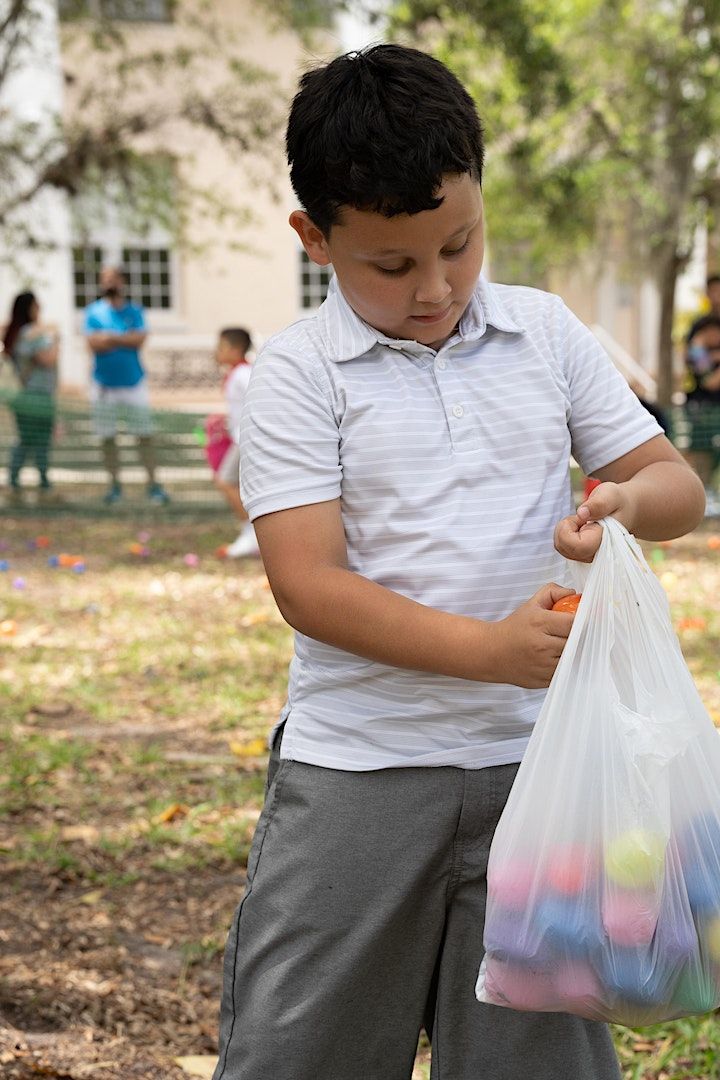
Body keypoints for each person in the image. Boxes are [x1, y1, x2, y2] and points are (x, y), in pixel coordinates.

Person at [212, 45, 705, 1080]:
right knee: (305, 1052)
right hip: (360, 773)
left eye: (459, 245)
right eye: (391, 266)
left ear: (480, 197)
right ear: (315, 238)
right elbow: (308, 583)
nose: (434, 287)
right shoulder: (297, 375)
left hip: (546, 772)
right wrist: (489, 651)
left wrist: (619, 499)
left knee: (535, 1058)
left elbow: (677, 487)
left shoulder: (545, 333)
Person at [84, 266, 169, 505]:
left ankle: (154, 485)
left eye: (112, 278)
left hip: (134, 383)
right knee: (107, 438)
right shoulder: (93, 312)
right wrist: (123, 338)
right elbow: (93, 343)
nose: (108, 283)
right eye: (104, 279)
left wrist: (110, 338)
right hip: (103, 386)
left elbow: (139, 339)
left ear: (122, 281)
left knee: (144, 436)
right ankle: (114, 486)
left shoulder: (135, 311)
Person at [207, 327, 260, 557]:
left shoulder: (243, 374)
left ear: (236, 349)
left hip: (246, 439)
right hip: (239, 437)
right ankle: (252, 534)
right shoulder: (236, 373)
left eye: (221, 347)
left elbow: (258, 401)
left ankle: (252, 534)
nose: (216, 352)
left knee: (225, 481)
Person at [2, 291, 59, 502]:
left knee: (28, 439)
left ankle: (19, 479)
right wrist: (54, 338)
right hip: (35, 396)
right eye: (36, 306)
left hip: (26, 395)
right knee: (36, 440)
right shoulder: (31, 334)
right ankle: (37, 481)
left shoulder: (15, 333)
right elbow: (48, 359)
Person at [682, 314, 720, 516]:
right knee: (699, 454)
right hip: (702, 413)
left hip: (713, 413)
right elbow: (709, 381)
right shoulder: (697, 352)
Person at [687, 274, 720, 341]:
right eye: (713, 291)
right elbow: (689, 346)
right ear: (707, 294)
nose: (716, 295)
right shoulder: (700, 323)